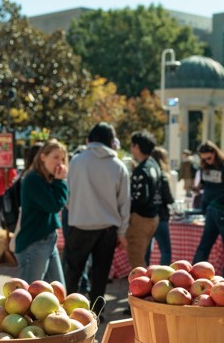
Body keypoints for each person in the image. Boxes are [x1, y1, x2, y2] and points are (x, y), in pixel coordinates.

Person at [65, 122, 130, 309]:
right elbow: (124, 202)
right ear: (111, 140)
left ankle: (69, 312)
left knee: (73, 273)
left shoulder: (76, 161)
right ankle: (97, 313)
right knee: (100, 275)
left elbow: (67, 194)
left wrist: (77, 210)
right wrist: (122, 232)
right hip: (107, 229)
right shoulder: (118, 166)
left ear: (90, 139)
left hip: (79, 225)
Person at [15, 139, 68, 283]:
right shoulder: (33, 179)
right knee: (30, 293)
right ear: (43, 157)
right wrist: (60, 181)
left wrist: (58, 181)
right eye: (56, 157)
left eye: (62, 159)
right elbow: (54, 205)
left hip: (47, 240)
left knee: (59, 291)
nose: (60, 162)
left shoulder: (45, 178)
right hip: (35, 243)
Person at [192, 140, 224, 278]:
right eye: (203, 159)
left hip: (222, 209)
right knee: (210, 246)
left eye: (209, 158)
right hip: (212, 210)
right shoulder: (205, 167)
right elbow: (203, 184)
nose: (207, 161)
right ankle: (194, 276)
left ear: (215, 153)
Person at [126, 131, 162, 271]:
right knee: (142, 255)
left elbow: (140, 198)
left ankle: (142, 283)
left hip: (141, 218)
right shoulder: (154, 164)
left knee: (136, 257)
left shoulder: (141, 170)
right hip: (154, 216)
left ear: (136, 146)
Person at [146, 146, 174, 266]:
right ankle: (164, 274)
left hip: (147, 216)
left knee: (146, 251)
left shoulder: (146, 174)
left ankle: (144, 274)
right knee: (166, 251)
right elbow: (169, 198)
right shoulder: (162, 176)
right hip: (161, 216)